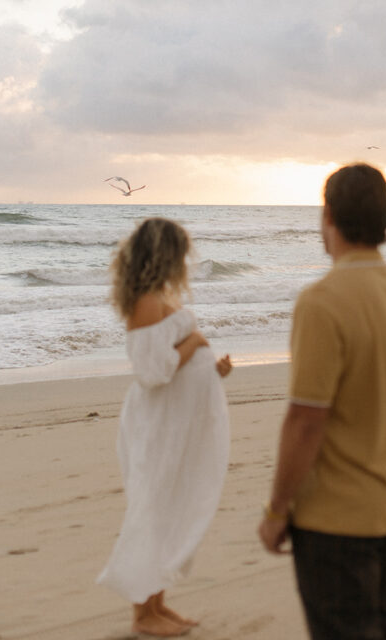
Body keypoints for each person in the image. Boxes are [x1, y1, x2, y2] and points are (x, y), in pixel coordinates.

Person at [258, 164, 386, 640]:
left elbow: (305, 421)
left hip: (334, 517)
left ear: (328, 215)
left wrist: (276, 511)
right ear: (384, 219)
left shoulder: (322, 302)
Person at [98, 217, 232, 637]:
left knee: (170, 507)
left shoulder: (160, 297)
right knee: (153, 510)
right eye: (181, 253)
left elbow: (172, 358)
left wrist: (213, 369)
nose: (186, 261)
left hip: (176, 422)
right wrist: (198, 344)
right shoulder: (146, 302)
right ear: (166, 255)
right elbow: (152, 371)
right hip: (157, 425)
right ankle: (142, 614)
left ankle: (157, 603)